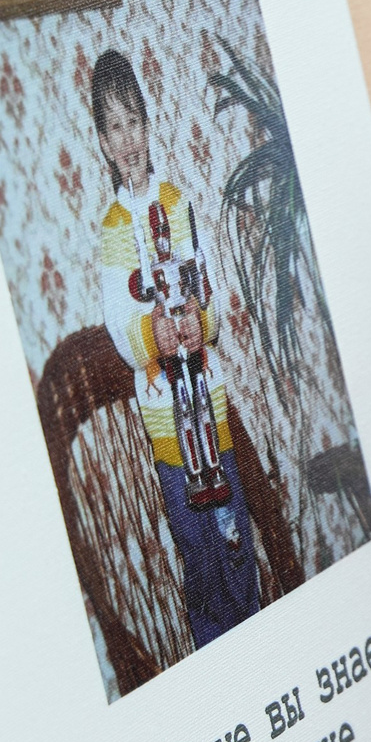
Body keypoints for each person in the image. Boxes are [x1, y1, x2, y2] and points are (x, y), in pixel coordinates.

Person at [88, 48, 261, 648]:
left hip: (209, 409)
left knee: (234, 536)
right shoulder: (113, 229)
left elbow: (208, 288)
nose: (127, 139)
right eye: (114, 128)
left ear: (147, 125)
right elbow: (120, 322)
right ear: (103, 143)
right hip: (166, 422)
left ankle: (260, 638)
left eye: (134, 122)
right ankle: (216, 651)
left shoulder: (178, 203)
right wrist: (153, 336)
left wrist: (197, 322)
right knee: (198, 549)